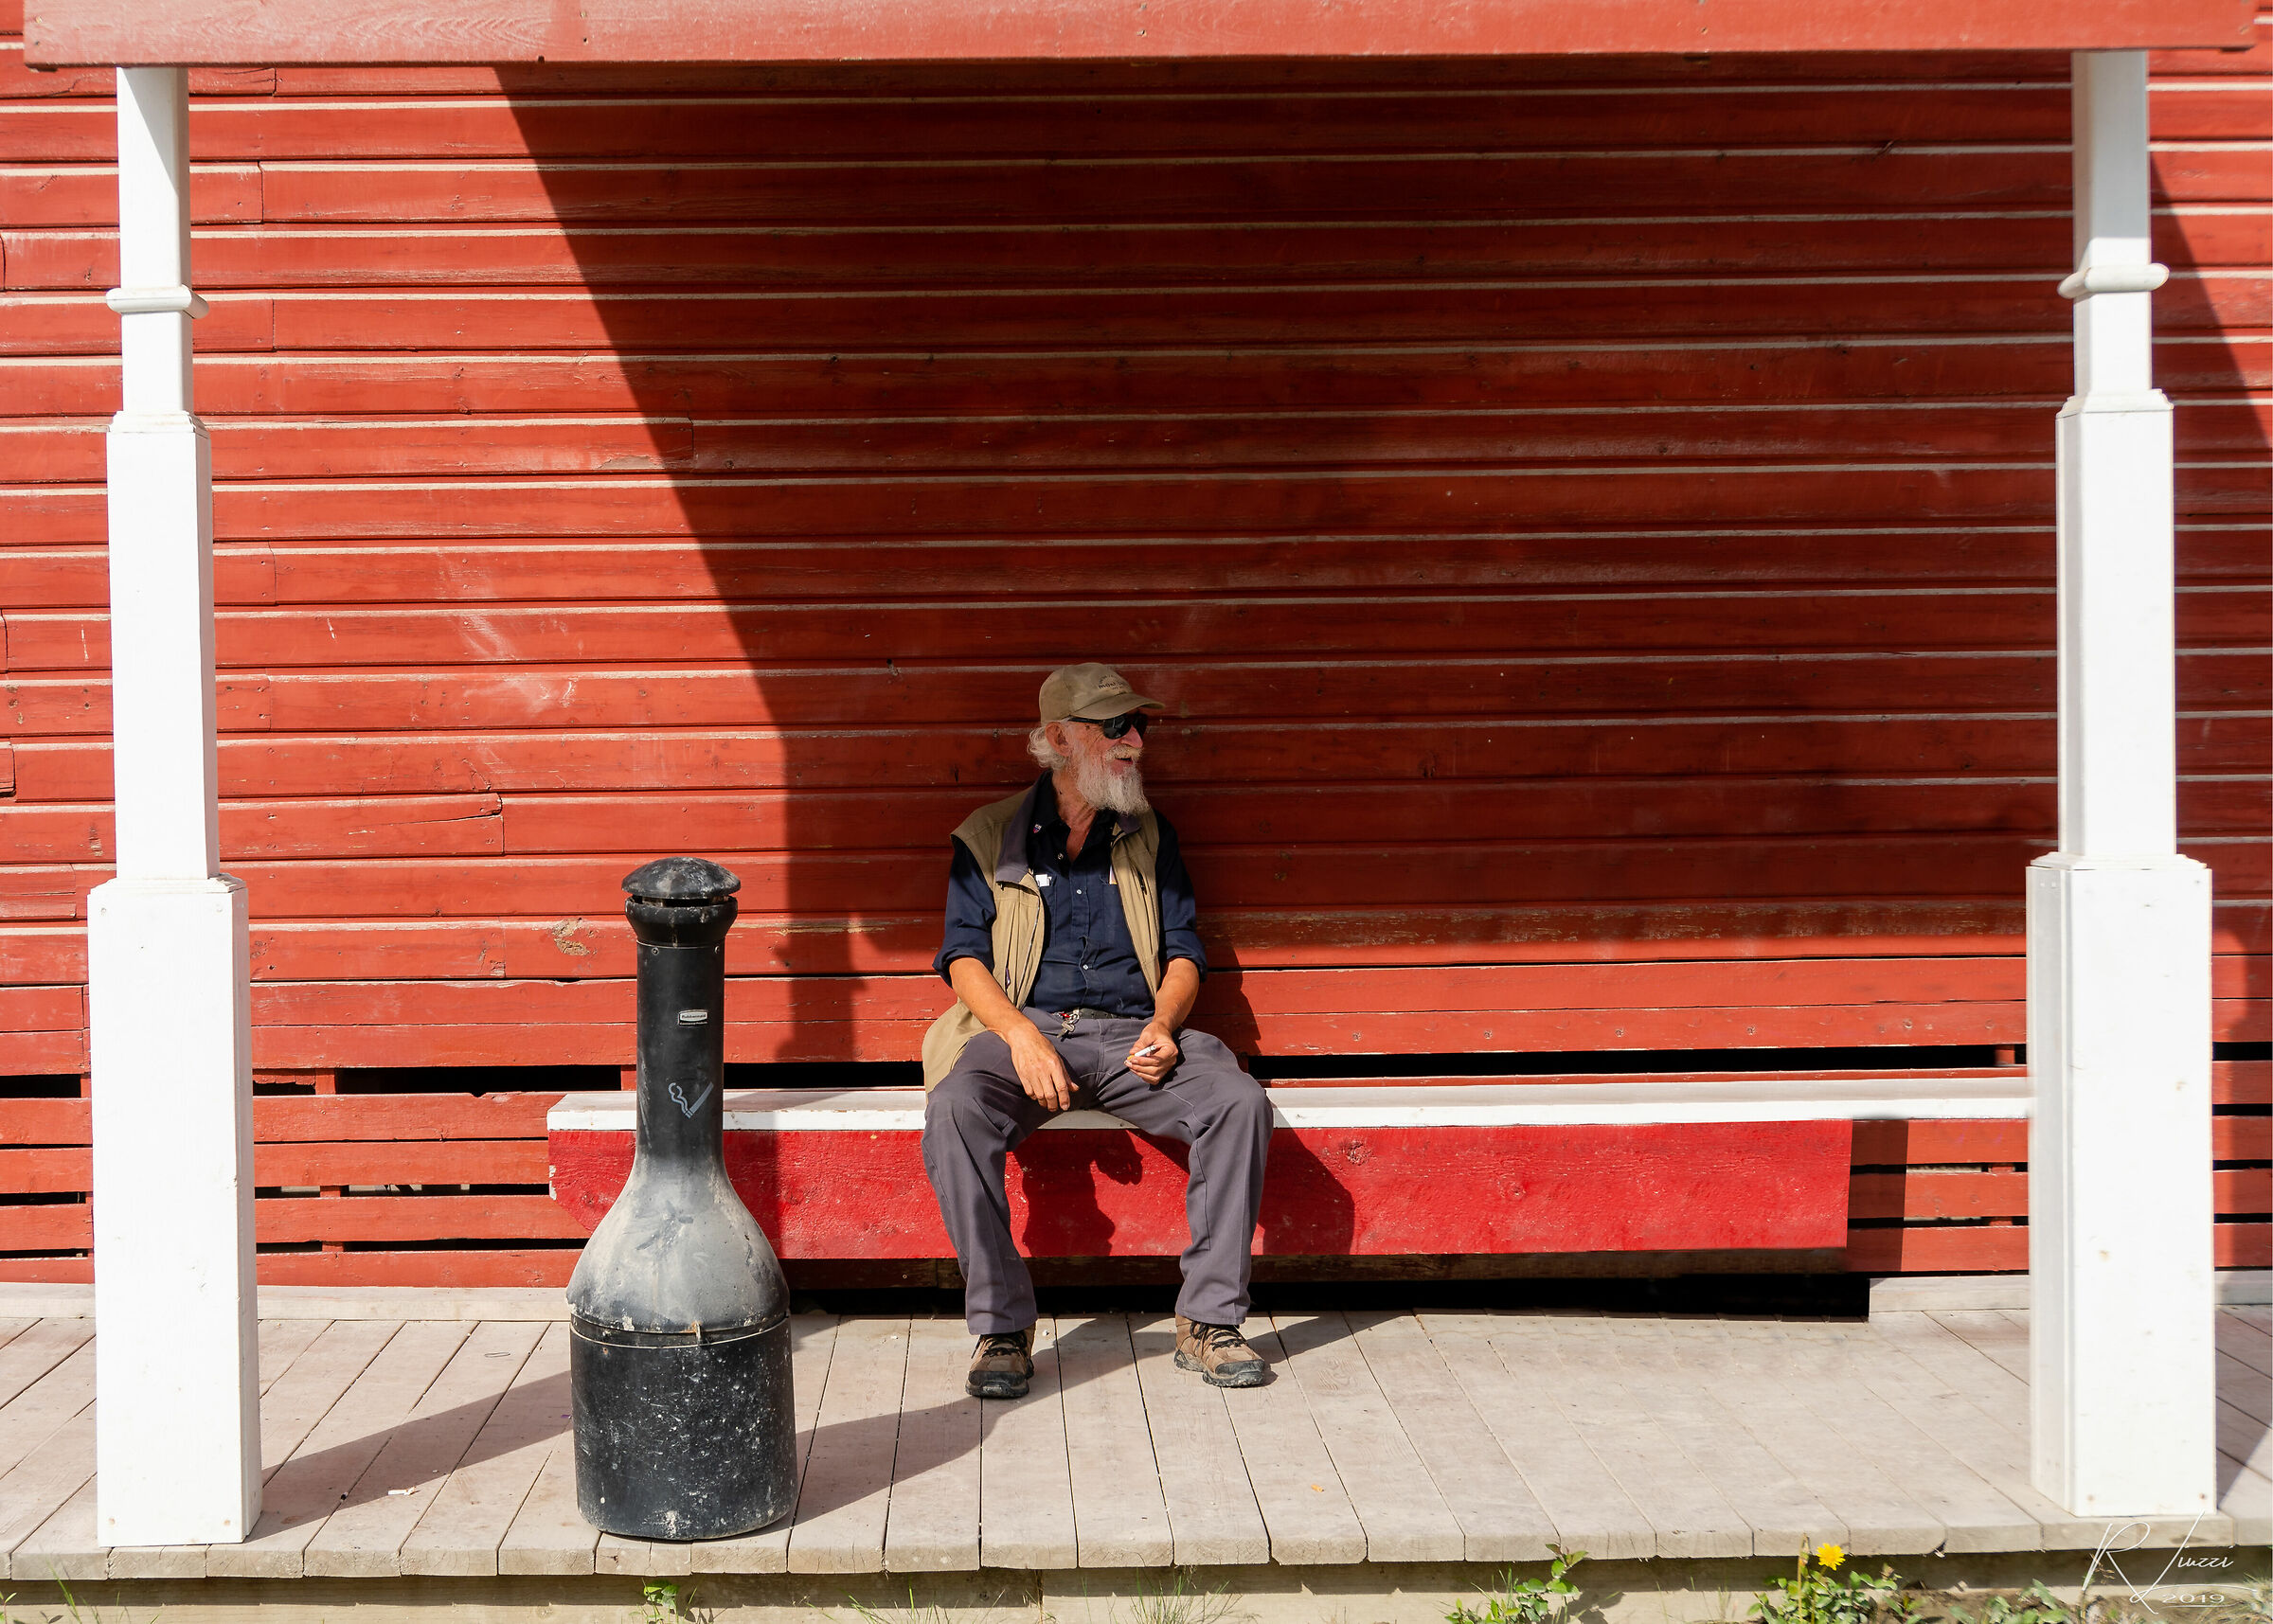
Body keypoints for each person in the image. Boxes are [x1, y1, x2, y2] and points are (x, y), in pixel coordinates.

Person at [921, 662, 1275, 1398]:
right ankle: (1001, 1327)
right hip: (1029, 1030)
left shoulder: (1149, 835)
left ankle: (1210, 1320)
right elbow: (962, 959)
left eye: (1137, 726)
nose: (1135, 741)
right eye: (1115, 726)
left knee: (1237, 1102)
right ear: (1059, 738)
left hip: (1130, 1034)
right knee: (955, 1110)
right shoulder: (990, 837)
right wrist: (1020, 1035)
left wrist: (1166, 1023)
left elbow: (1184, 953)